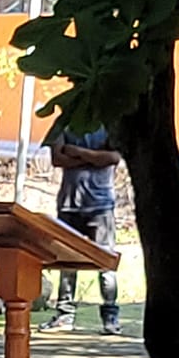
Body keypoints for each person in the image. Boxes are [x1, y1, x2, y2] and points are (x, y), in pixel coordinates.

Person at [42, 125, 123, 335]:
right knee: (67, 262)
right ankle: (64, 314)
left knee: (105, 261)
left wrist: (77, 152)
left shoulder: (109, 122)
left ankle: (110, 317)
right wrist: (96, 158)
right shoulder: (65, 121)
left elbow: (114, 157)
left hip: (100, 205)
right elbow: (58, 158)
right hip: (69, 204)